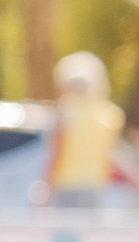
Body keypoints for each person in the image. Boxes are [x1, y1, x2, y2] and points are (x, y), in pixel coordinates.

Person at [43, 51, 123, 209]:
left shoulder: (65, 112)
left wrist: (46, 188)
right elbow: (110, 156)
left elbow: (56, 153)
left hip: (66, 186)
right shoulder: (109, 115)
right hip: (94, 188)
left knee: (65, 231)